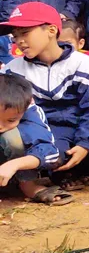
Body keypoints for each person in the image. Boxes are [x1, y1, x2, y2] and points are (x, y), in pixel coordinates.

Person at [2, 2, 89, 182]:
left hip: (82, 124)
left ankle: (71, 169)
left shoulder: (82, 63)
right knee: (53, 157)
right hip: (47, 129)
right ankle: (54, 170)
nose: (20, 41)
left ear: (51, 30)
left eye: (25, 33)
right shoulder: (13, 69)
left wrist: (86, 144)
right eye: (15, 36)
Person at [0, 74, 72, 205]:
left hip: (10, 167)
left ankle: (27, 185)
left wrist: (12, 165)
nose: (0, 125)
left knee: (12, 138)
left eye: (10, 120)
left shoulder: (30, 113)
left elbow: (50, 153)